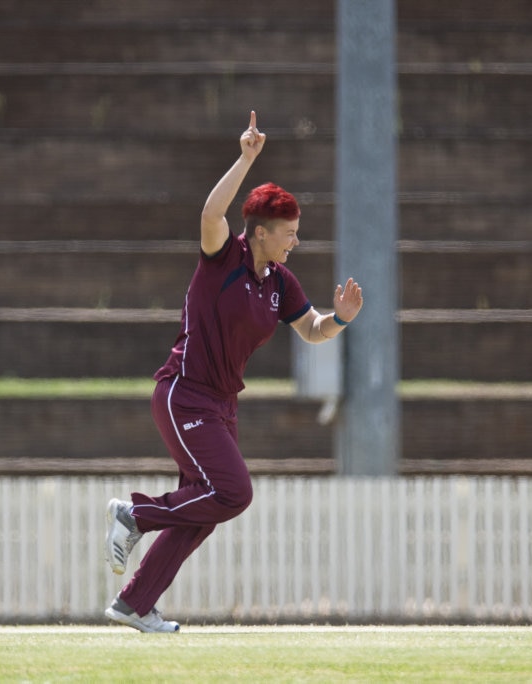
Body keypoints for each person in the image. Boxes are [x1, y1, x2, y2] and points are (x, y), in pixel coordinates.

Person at [103, 111, 364, 632]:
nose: (295, 242)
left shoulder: (280, 282)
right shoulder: (223, 256)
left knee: (204, 511)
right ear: (260, 232)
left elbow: (311, 329)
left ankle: (133, 604)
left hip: (221, 405)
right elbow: (210, 211)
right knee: (233, 493)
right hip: (184, 394)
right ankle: (135, 515)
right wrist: (247, 158)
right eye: (288, 233)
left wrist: (341, 319)